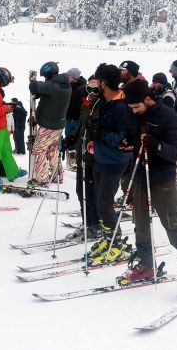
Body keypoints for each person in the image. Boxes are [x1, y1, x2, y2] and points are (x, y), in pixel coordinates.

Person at [118, 80, 177, 300]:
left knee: (174, 228)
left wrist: (157, 146)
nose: (133, 111)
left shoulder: (168, 117)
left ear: (148, 99)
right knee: (140, 223)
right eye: (130, 108)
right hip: (140, 175)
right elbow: (133, 138)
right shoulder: (133, 113)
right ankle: (146, 264)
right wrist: (128, 143)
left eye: (136, 107)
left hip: (162, 179)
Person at [85, 63, 136, 265]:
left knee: (105, 205)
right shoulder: (106, 101)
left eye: (97, 80)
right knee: (100, 203)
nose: (95, 84)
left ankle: (116, 244)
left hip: (115, 161)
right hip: (102, 157)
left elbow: (124, 137)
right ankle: (109, 239)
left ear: (104, 82)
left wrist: (101, 135)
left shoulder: (122, 106)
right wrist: (94, 139)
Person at [63, 77, 102, 240]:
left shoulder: (103, 106)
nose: (91, 93)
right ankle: (87, 221)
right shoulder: (85, 105)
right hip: (82, 154)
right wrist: (69, 139)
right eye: (89, 89)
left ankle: (96, 224)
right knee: (81, 190)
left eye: (95, 90)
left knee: (92, 192)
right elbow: (81, 127)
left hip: (95, 157)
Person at [28, 61, 71, 187]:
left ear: (48, 75)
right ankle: (57, 176)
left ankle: (41, 178)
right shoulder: (65, 85)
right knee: (53, 150)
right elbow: (48, 94)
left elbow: (33, 87)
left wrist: (34, 82)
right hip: (58, 125)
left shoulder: (52, 86)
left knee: (39, 150)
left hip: (48, 125)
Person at [65, 68, 86, 169]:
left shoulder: (83, 88)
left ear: (74, 78)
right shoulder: (67, 86)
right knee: (68, 139)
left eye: (68, 76)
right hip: (68, 118)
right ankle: (71, 161)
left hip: (78, 119)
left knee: (78, 140)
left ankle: (78, 161)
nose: (66, 77)